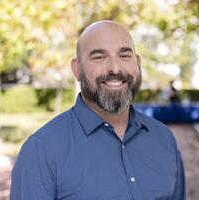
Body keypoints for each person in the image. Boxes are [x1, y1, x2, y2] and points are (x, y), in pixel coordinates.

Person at [10, 20, 186, 200]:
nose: (115, 68)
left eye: (125, 56)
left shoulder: (164, 138)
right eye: (99, 57)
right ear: (77, 69)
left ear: (138, 64)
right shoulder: (41, 151)